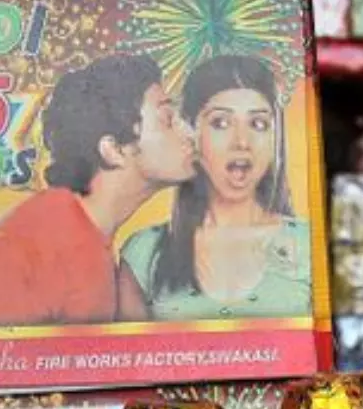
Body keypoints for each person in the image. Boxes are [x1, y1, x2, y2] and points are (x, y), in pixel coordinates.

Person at [0, 55, 195, 325]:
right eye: (167, 120)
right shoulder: (19, 252)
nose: (189, 134)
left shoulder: (90, 239)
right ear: (113, 150)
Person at [120, 54, 312, 319]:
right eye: (220, 122)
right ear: (191, 133)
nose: (242, 142)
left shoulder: (310, 244)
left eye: (258, 124)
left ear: (274, 138)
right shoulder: (145, 253)